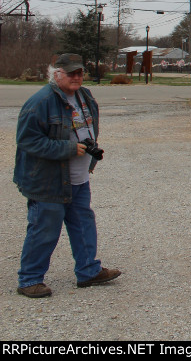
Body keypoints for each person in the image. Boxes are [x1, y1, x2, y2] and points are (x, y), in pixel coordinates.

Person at [13, 53, 120, 298]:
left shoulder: (84, 96)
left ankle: (88, 271)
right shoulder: (40, 102)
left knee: (83, 224)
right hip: (47, 181)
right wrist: (68, 149)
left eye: (80, 72)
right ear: (56, 73)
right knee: (44, 229)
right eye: (71, 73)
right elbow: (27, 141)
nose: (77, 77)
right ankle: (29, 279)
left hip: (78, 178)